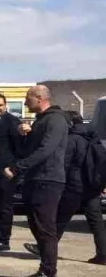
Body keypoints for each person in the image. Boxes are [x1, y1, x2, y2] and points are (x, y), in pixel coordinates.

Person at [6, 85, 69, 277]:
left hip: (48, 180)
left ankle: (50, 274)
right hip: (34, 179)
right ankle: (44, 270)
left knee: (45, 228)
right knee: (36, 225)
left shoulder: (56, 120)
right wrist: (25, 135)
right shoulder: (40, 121)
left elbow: (46, 150)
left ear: (39, 97)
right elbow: (27, 150)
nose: (25, 103)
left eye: (28, 98)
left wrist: (17, 168)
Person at [43, 112, 106, 266]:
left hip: (74, 186)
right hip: (93, 186)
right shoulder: (93, 137)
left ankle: (44, 249)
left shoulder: (72, 139)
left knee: (59, 218)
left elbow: (65, 163)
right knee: (97, 223)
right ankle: (103, 255)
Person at [0, 93, 24, 253]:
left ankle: (3, 239)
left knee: (4, 206)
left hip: (7, 170)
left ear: (5, 105)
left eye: (0, 105)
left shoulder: (12, 122)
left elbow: (19, 148)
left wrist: (14, 168)